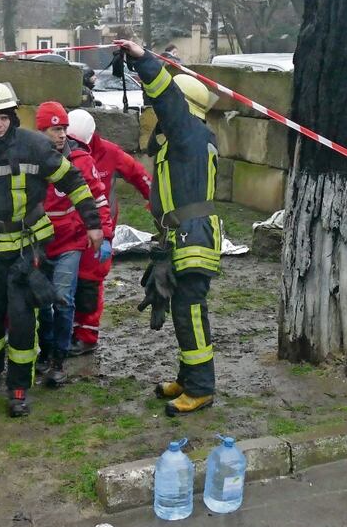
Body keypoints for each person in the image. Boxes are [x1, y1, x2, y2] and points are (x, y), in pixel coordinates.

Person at [0, 83, 103, 417]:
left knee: (22, 321)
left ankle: (19, 385)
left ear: (12, 115)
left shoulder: (36, 146)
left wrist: (93, 224)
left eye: (4, 117)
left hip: (27, 247)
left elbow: (74, 182)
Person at [116, 39, 221, 416]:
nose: (155, 115)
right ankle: (189, 377)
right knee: (183, 310)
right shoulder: (191, 140)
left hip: (192, 235)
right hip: (184, 233)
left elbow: (168, 101)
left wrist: (145, 62)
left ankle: (201, 388)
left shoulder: (188, 132)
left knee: (190, 311)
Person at [34, 102, 112, 387]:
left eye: (64, 128)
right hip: (39, 243)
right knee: (42, 302)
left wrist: (104, 233)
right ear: (41, 130)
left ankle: (58, 359)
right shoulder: (30, 162)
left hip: (70, 243)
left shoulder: (80, 160)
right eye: (55, 129)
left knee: (64, 300)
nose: (62, 134)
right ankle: (45, 351)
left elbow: (98, 199)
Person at [66, 108, 152, 357]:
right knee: (67, 284)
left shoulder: (109, 153)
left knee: (90, 284)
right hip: (68, 231)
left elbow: (139, 175)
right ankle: (68, 332)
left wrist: (157, 205)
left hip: (100, 232)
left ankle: (87, 336)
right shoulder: (59, 152)